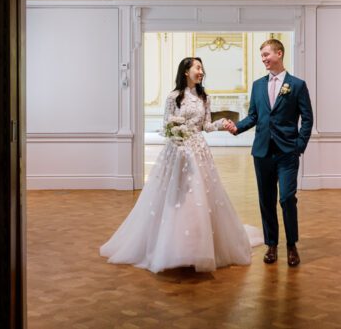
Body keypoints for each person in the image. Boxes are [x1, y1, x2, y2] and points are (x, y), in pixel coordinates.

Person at [100, 57, 263, 273]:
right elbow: (167, 125)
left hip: (198, 150)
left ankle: (197, 247)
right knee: (174, 197)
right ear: (186, 71)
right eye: (197, 67)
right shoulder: (173, 97)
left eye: (202, 68)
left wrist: (222, 124)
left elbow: (205, 125)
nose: (201, 71)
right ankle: (171, 247)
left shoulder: (204, 97)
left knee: (200, 197)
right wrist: (176, 136)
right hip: (176, 152)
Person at [225, 38, 313, 267]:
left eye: (266, 54)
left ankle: (291, 245)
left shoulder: (297, 85)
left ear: (279, 53)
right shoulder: (257, 85)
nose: (263, 59)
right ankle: (271, 245)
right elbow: (254, 116)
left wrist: (299, 146)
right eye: (261, 56)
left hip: (287, 153)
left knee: (286, 198)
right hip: (262, 152)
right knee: (266, 200)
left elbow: (307, 119)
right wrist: (237, 127)